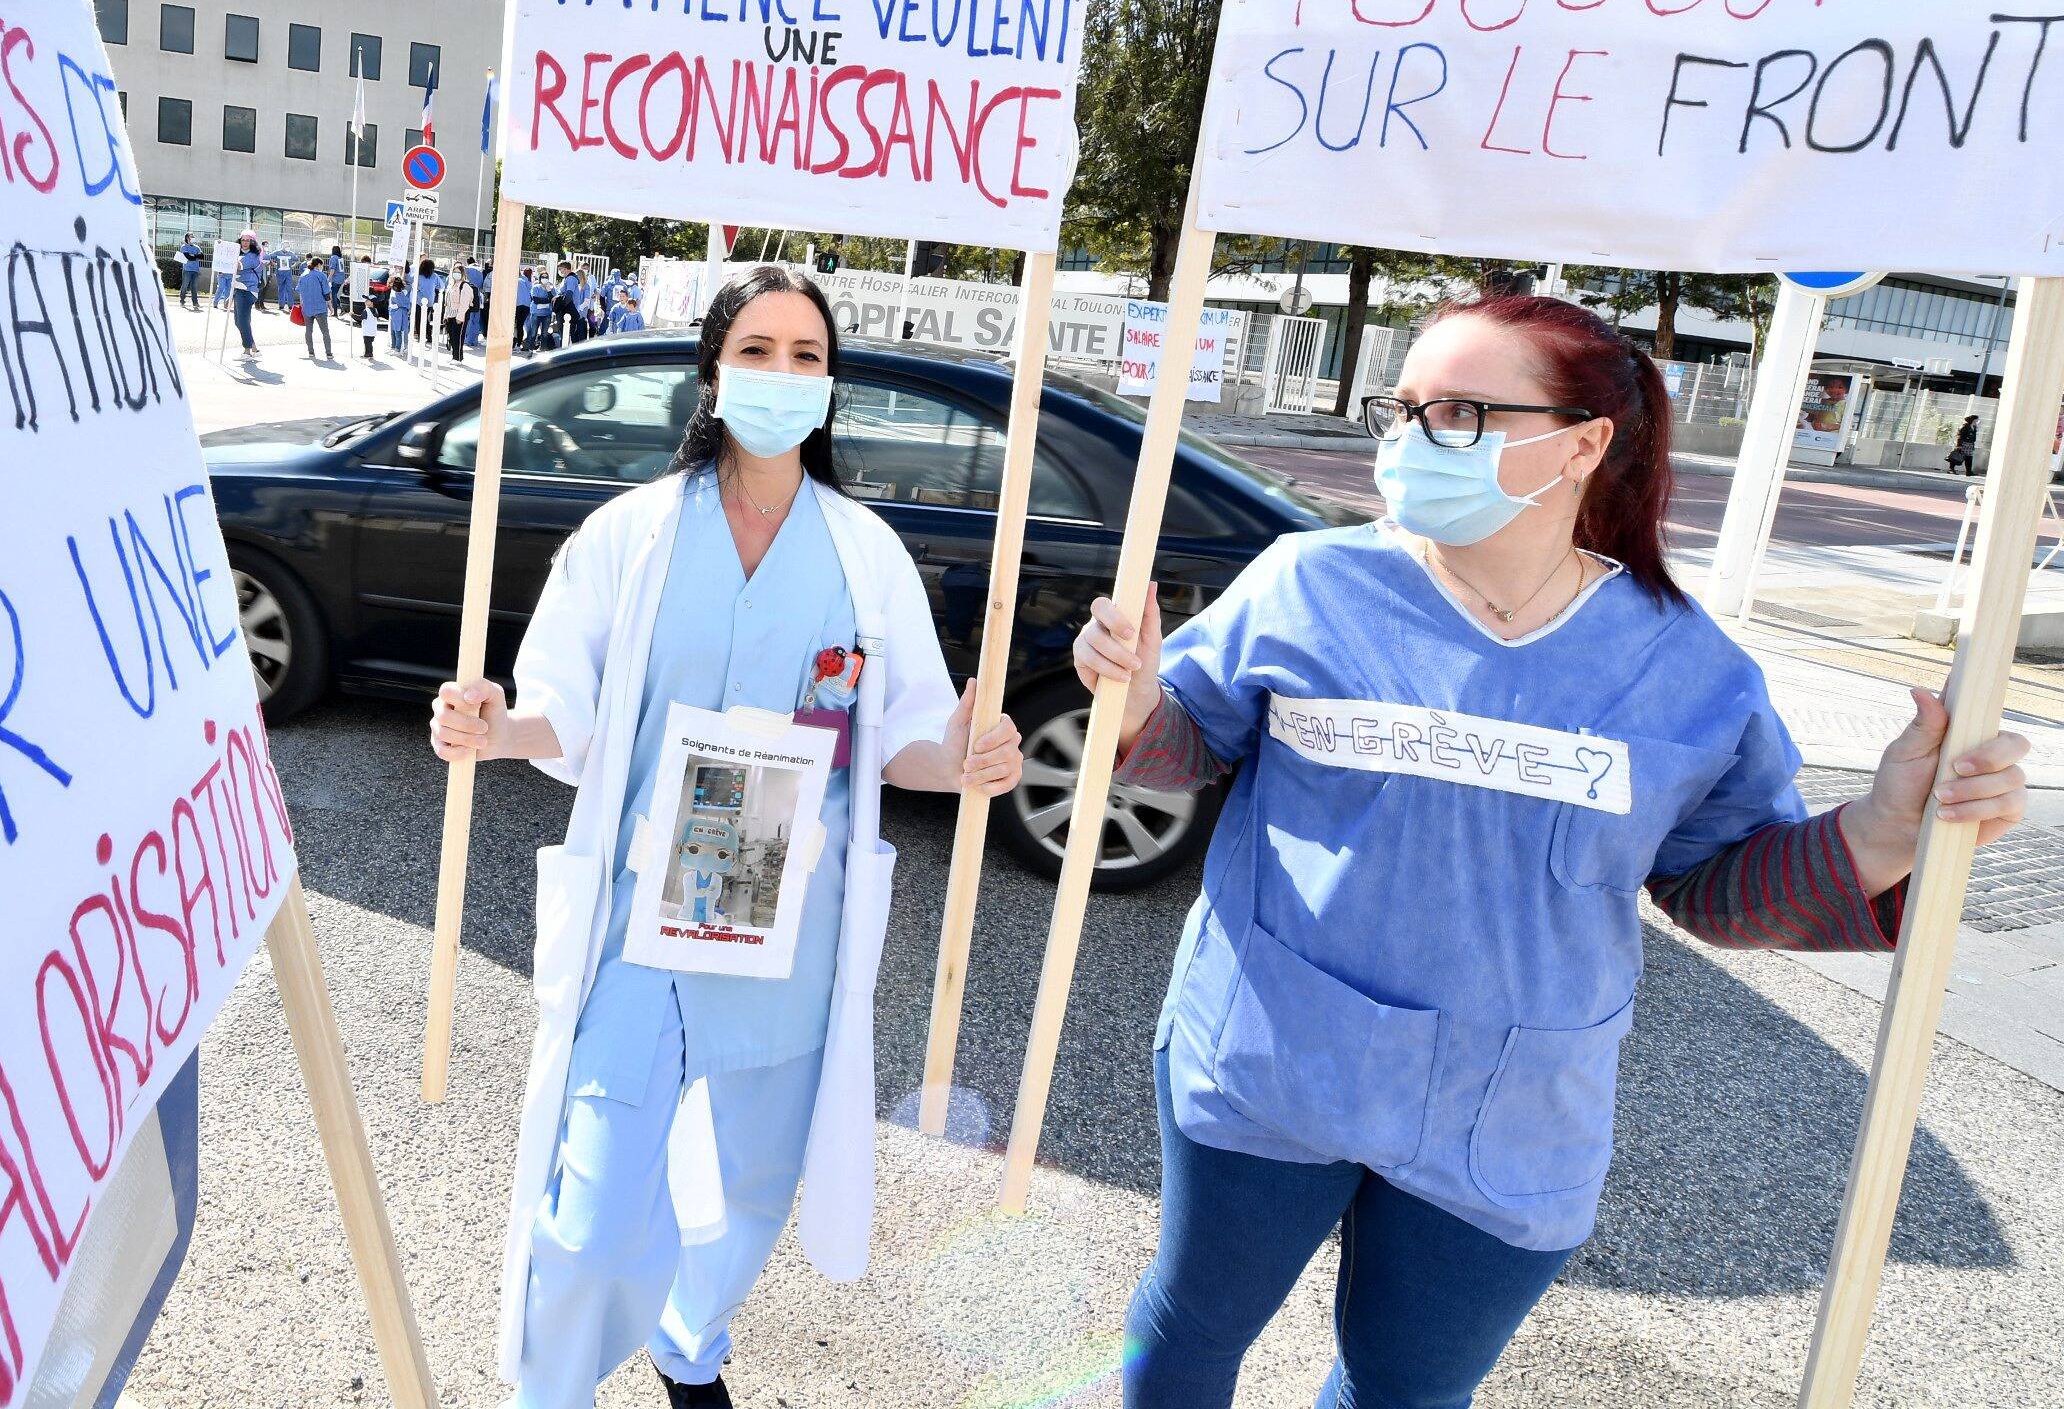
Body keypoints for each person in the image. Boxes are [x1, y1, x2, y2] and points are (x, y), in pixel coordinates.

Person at [1070, 293, 2032, 1409]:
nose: (1410, 439)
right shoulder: (1308, 584)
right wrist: (1134, 704)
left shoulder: (1688, 669)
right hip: (1275, 1055)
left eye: (1461, 411)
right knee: (1195, 1325)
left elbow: (1716, 890)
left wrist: (1880, 830)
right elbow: (1187, 746)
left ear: (1582, 444)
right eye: (1404, 407)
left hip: (1515, 1110)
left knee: (1406, 1389)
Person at [429, 265, 1025, 1409]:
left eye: (807, 355)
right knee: (592, 1210)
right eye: (757, 349)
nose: (781, 374)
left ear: (832, 383)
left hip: (790, 929)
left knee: (753, 1187)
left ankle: (689, 1337)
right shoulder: (633, 532)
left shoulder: (864, 552)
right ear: (712, 369)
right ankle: (552, 1387)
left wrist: (961, 759)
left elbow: (902, 735)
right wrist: (498, 727)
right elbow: (566, 705)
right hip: (644, 921)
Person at [229, 235, 264, 355]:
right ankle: (253, 348)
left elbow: (238, 266)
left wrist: (225, 256)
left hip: (247, 290)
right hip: (239, 289)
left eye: (247, 240)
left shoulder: (253, 256)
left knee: (242, 321)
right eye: (242, 240)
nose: (244, 242)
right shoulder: (240, 254)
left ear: (252, 242)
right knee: (239, 321)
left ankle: (247, 351)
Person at [297, 254, 336, 360]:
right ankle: (328, 353)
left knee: (308, 330)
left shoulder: (303, 275)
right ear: (318, 265)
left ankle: (311, 352)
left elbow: (300, 292)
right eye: (321, 265)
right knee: (325, 331)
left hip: (306, 308)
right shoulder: (321, 275)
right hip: (320, 308)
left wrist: (302, 304)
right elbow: (326, 293)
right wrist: (330, 307)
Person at [176, 233, 204, 311]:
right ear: (187, 238)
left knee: (194, 287)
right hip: (187, 269)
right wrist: (196, 256)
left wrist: (193, 255)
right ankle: (182, 301)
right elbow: (188, 257)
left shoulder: (197, 247)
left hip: (195, 270)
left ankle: (195, 303)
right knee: (185, 286)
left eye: (193, 236)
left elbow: (202, 256)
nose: (193, 238)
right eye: (191, 236)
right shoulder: (184, 247)